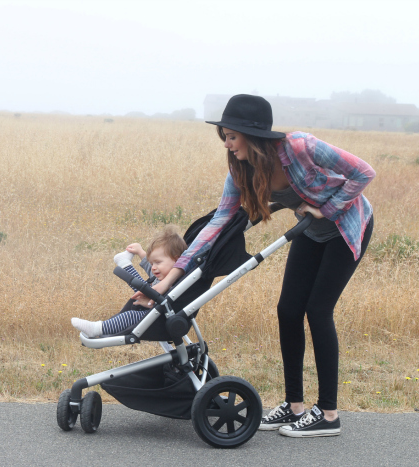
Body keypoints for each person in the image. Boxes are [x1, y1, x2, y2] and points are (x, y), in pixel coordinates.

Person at [131, 94, 375, 438]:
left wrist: (329, 209)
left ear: (253, 136)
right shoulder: (242, 170)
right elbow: (217, 224)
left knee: (318, 312)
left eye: (232, 136)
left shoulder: (301, 146)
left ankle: (329, 414)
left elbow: (364, 171)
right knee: (288, 311)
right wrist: (167, 280)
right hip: (310, 229)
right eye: (225, 137)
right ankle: (294, 407)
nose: (228, 145)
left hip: (347, 227)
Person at [71, 226, 187, 338]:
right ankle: (124, 263)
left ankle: (97, 328)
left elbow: (172, 305)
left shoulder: (175, 282)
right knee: (144, 287)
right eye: (152, 263)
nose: (153, 267)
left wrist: (149, 303)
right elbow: (150, 269)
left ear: (176, 260)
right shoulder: (164, 274)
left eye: (157, 262)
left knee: (131, 315)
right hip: (153, 308)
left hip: (160, 318)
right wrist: (140, 252)